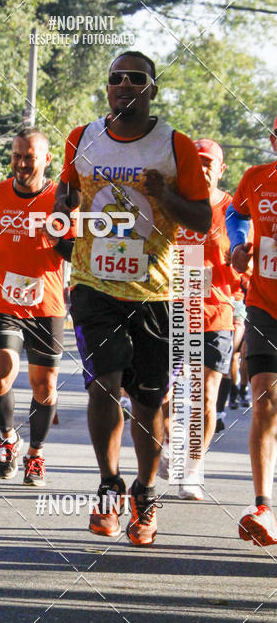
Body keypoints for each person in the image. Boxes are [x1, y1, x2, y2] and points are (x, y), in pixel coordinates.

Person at [58, 51, 210, 544]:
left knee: (148, 403)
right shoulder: (82, 138)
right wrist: (65, 205)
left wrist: (165, 194)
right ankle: (108, 484)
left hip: (156, 293)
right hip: (93, 283)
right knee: (102, 384)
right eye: (115, 79)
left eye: (135, 79)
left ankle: (144, 493)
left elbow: (203, 221)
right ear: (107, 88)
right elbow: (67, 194)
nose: (123, 85)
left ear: (152, 90)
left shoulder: (176, 146)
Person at [0, 128, 75, 486]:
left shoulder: (60, 200)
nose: (20, 163)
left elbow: (76, 251)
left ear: (46, 159)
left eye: (28, 156)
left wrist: (56, 240)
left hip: (45, 304)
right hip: (2, 299)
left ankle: (35, 453)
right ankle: (7, 439)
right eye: (16, 155)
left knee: (44, 386)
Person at [159, 138, 238, 500]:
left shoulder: (233, 209)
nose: (203, 167)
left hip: (215, 313)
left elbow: (242, 259)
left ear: (221, 169)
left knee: (206, 398)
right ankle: (166, 444)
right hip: (173, 309)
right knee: (168, 392)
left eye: (210, 162)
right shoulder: (172, 204)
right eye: (197, 161)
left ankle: (193, 467)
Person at [227, 116, 277, 546]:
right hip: (263, 303)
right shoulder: (256, 178)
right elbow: (235, 213)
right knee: (264, 396)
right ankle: (262, 506)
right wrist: (238, 246)